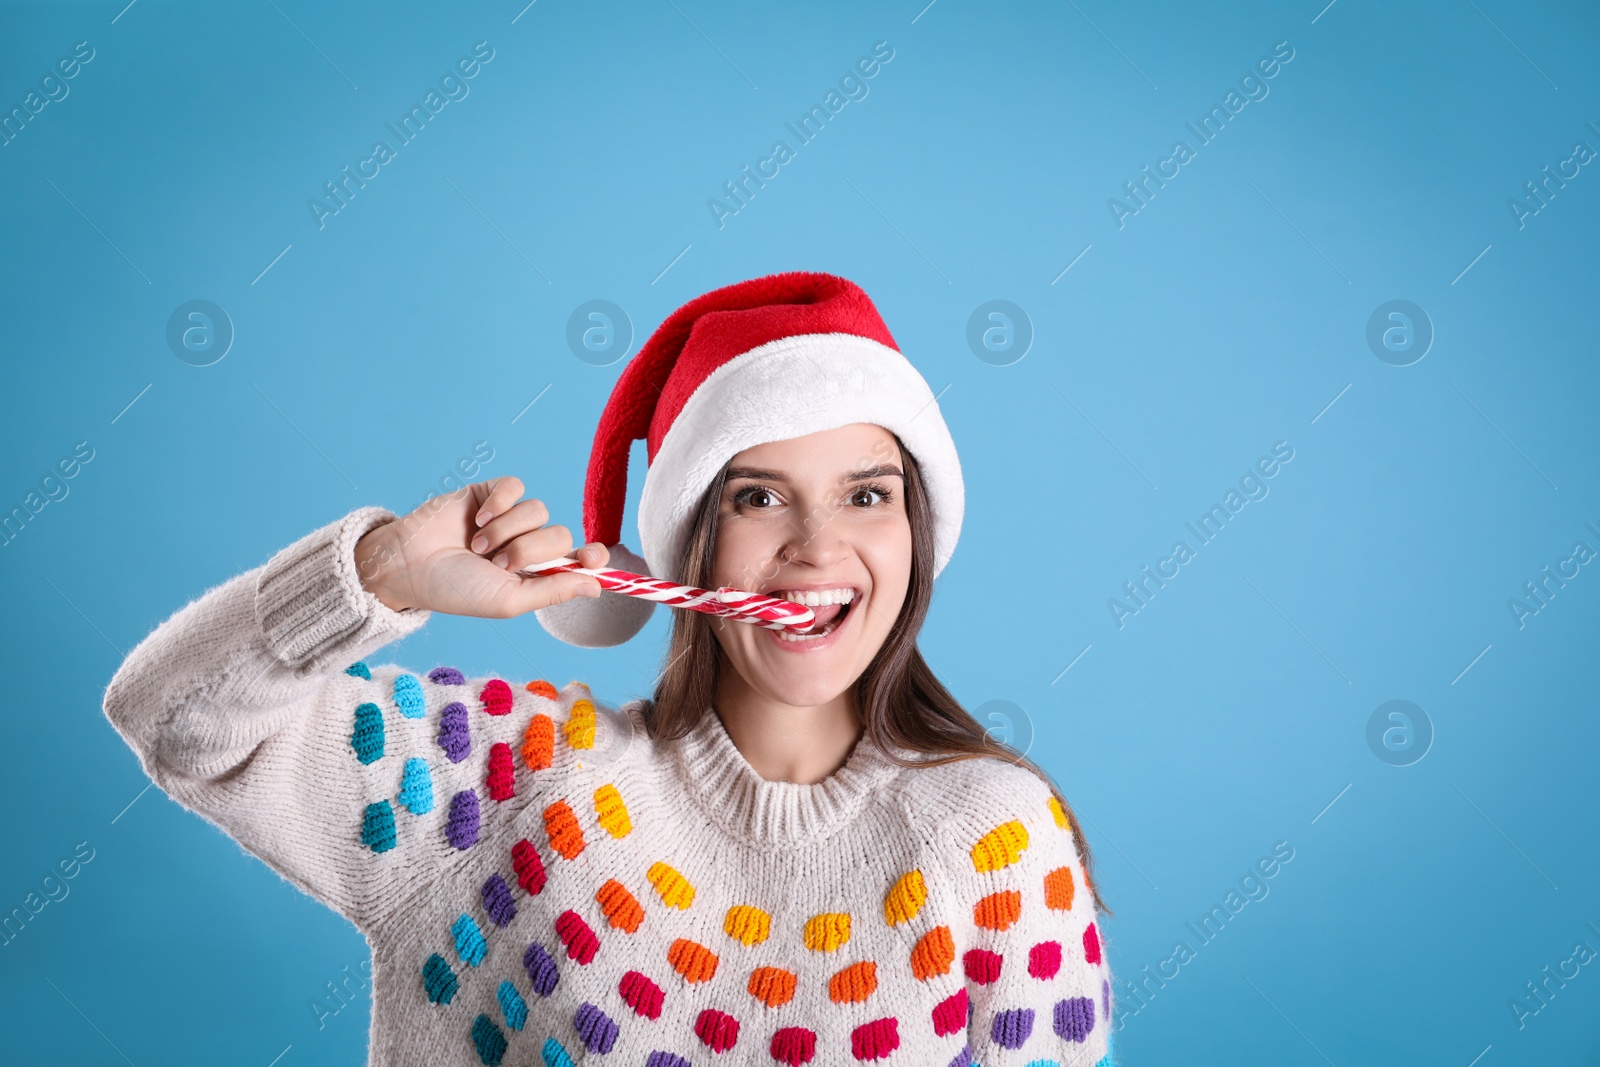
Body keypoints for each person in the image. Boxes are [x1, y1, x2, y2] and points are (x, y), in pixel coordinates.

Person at [103, 271, 1116, 1067]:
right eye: (759, 498)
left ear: (916, 530)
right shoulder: (509, 782)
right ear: (687, 547)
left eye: (866, 495)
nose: (815, 546)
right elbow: (171, 717)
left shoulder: (995, 841)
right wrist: (379, 576)